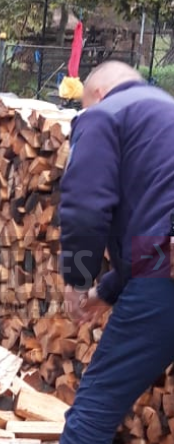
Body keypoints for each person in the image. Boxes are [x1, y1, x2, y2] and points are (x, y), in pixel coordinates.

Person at [59, 61, 174, 444]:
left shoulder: (104, 115)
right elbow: (151, 221)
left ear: (96, 95)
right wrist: (106, 291)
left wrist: (76, 279)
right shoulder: (163, 114)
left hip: (163, 283)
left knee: (94, 409)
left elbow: (84, 208)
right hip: (158, 267)